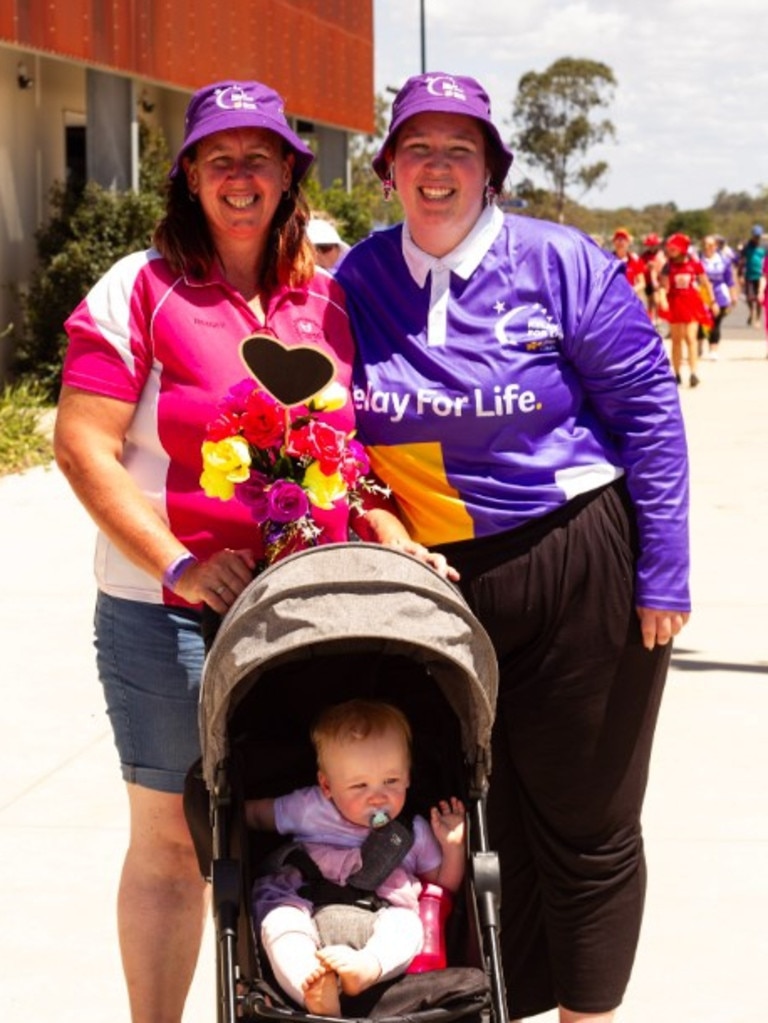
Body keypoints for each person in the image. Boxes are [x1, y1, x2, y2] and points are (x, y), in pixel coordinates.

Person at [53, 79, 447, 1023]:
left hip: (311, 610)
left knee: (296, 831)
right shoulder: (139, 287)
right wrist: (179, 563)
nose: (240, 175)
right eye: (219, 157)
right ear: (189, 173)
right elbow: (80, 444)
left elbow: (349, 446)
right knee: (174, 842)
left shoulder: (329, 295)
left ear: (288, 174)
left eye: (259, 157)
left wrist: (385, 520)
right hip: (169, 614)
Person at [334, 71, 691, 1023]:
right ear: (388, 169)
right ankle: (500, 1005)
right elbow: (325, 428)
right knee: (472, 825)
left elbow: (651, 417)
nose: (438, 167)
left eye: (461, 149)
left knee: (586, 822)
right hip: (437, 588)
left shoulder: (565, 262)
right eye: (418, 148)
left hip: (580, 565)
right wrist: (380, 522)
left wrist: (664, 574)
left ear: (492, 167)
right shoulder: (358, 279)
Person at [246, 699, 465, 1016]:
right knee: (279, 921)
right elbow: (255, 816)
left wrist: (453, 847)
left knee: (408, 927)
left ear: (408, 777)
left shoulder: (411, 833)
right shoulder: (307, 808)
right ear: (327, 785)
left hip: (381, 913)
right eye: (359, 785)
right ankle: (311, 988)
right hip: (304, 898)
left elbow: (443, 887)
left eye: (391, 781)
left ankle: (367, 969)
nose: (378, 795)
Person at [658, 232, 716, 387]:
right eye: (670, 248)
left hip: (691, 302)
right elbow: (663, 286)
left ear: (682, 248)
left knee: (691, 338)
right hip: (675, 302)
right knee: (676, 340)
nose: (671, 250)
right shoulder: (668, 265)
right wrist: (663, 299)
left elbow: (705, 283)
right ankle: (676, 373)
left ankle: (693, 373)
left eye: (674, 248)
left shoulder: (694, 263)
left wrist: (713, 301)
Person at [699, 234, 738, 359]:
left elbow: (729, 280)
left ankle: (713, 348)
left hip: (720, 294)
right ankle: (698, 346)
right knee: (700, 322)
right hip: (701, 295)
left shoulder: (723, 261)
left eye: (710, 245)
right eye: (704, 245)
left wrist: (733, 295)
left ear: (715, 246)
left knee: (715, 322)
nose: (707, 248)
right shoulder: (698, 260)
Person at [737, 224, 766, 326]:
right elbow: (741, 261)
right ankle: (751, 311)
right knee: (749, 298)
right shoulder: (747, 246)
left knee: (759, 298)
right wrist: (740, 275)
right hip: (749, 275)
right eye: (755, 236)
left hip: (761, 276)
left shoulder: (764, 247)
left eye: (758, 236)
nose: (756, 238)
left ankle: (757, 319)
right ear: (752, 235)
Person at [610, 227, 646, 301]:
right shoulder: (607, 259)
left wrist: (630, 291)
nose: (620, 242)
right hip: (612, 298)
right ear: (614, 242)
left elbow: (642, 283)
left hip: (629, 299)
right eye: (618, 239)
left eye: (623, 239)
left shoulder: (635, 260)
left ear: (628, 242)